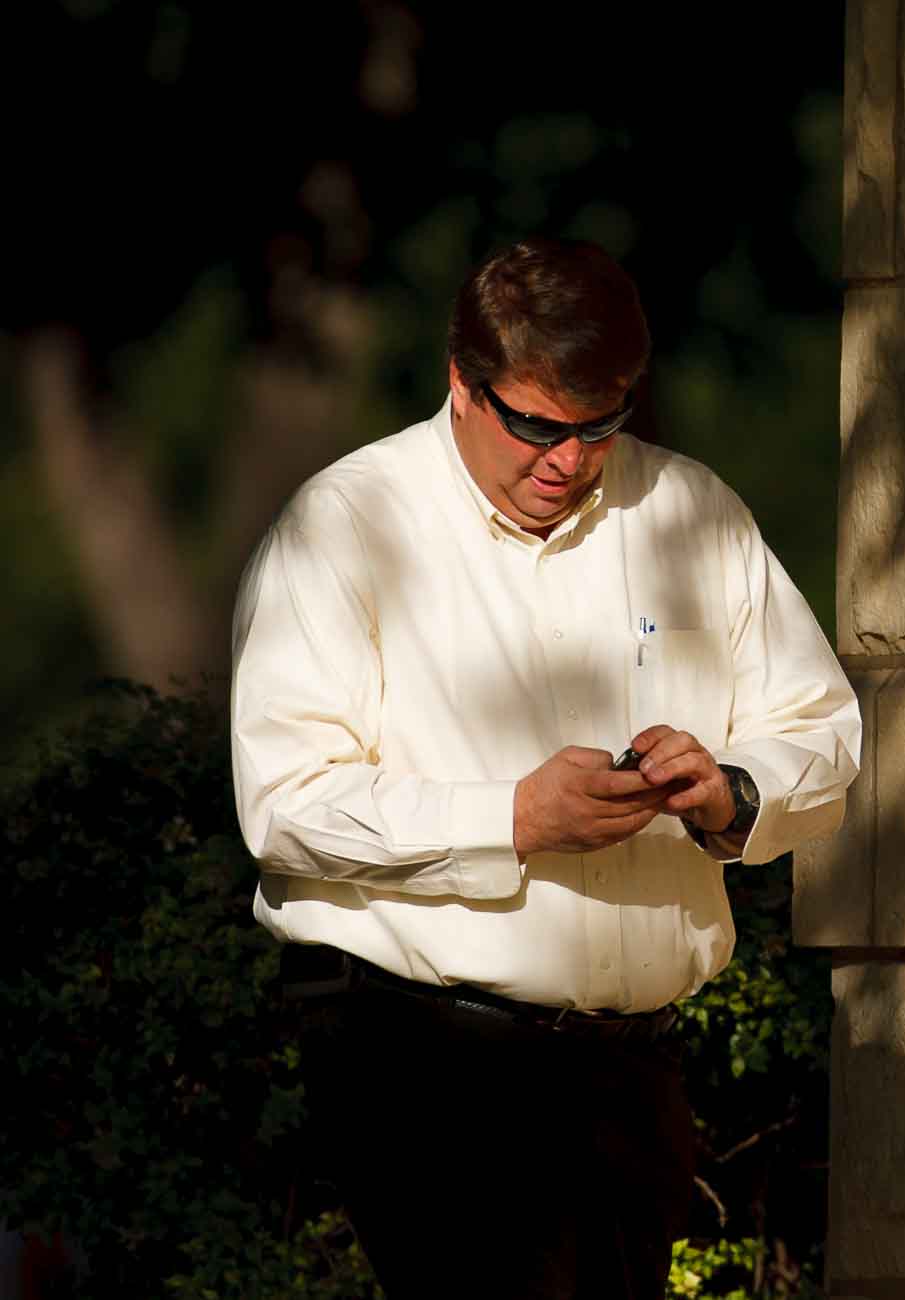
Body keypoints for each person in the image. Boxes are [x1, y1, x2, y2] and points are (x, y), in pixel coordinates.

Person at [229, 237, 860, 1298]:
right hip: (433, 1067)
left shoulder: (695, 514)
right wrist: (514, 816)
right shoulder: (346, 525)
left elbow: (824, 729)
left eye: (599, 424)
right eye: (536, 424)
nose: (567, 459)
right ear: (460, 385)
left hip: (633, 1072)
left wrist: (733, 789)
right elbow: (285, 803)